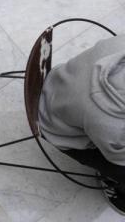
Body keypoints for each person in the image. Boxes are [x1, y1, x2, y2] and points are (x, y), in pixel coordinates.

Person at [38, 35, 125, 214]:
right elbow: (118, 158)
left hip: (63, 82)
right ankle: (118, 192)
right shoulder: (109, 121)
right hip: (58, 129)